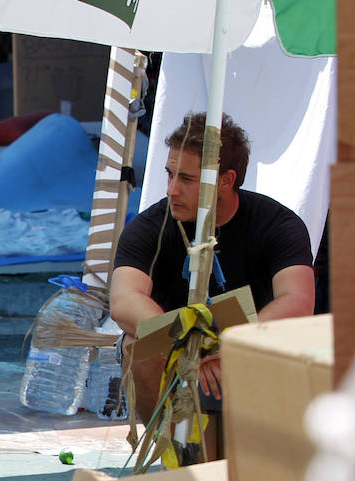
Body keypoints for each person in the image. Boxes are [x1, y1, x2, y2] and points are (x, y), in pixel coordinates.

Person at [112, 113, 315, 418]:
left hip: (252, 347)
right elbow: (124, 299)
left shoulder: (277, 224)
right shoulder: (150, 226)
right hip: (174, 350)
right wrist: (187, 342)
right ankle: (171, 454)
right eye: (170, 174)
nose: (171, 190)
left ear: (226, 180)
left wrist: (230, 345)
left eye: (186, 179)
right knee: (136, 347)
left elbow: (298, 300)